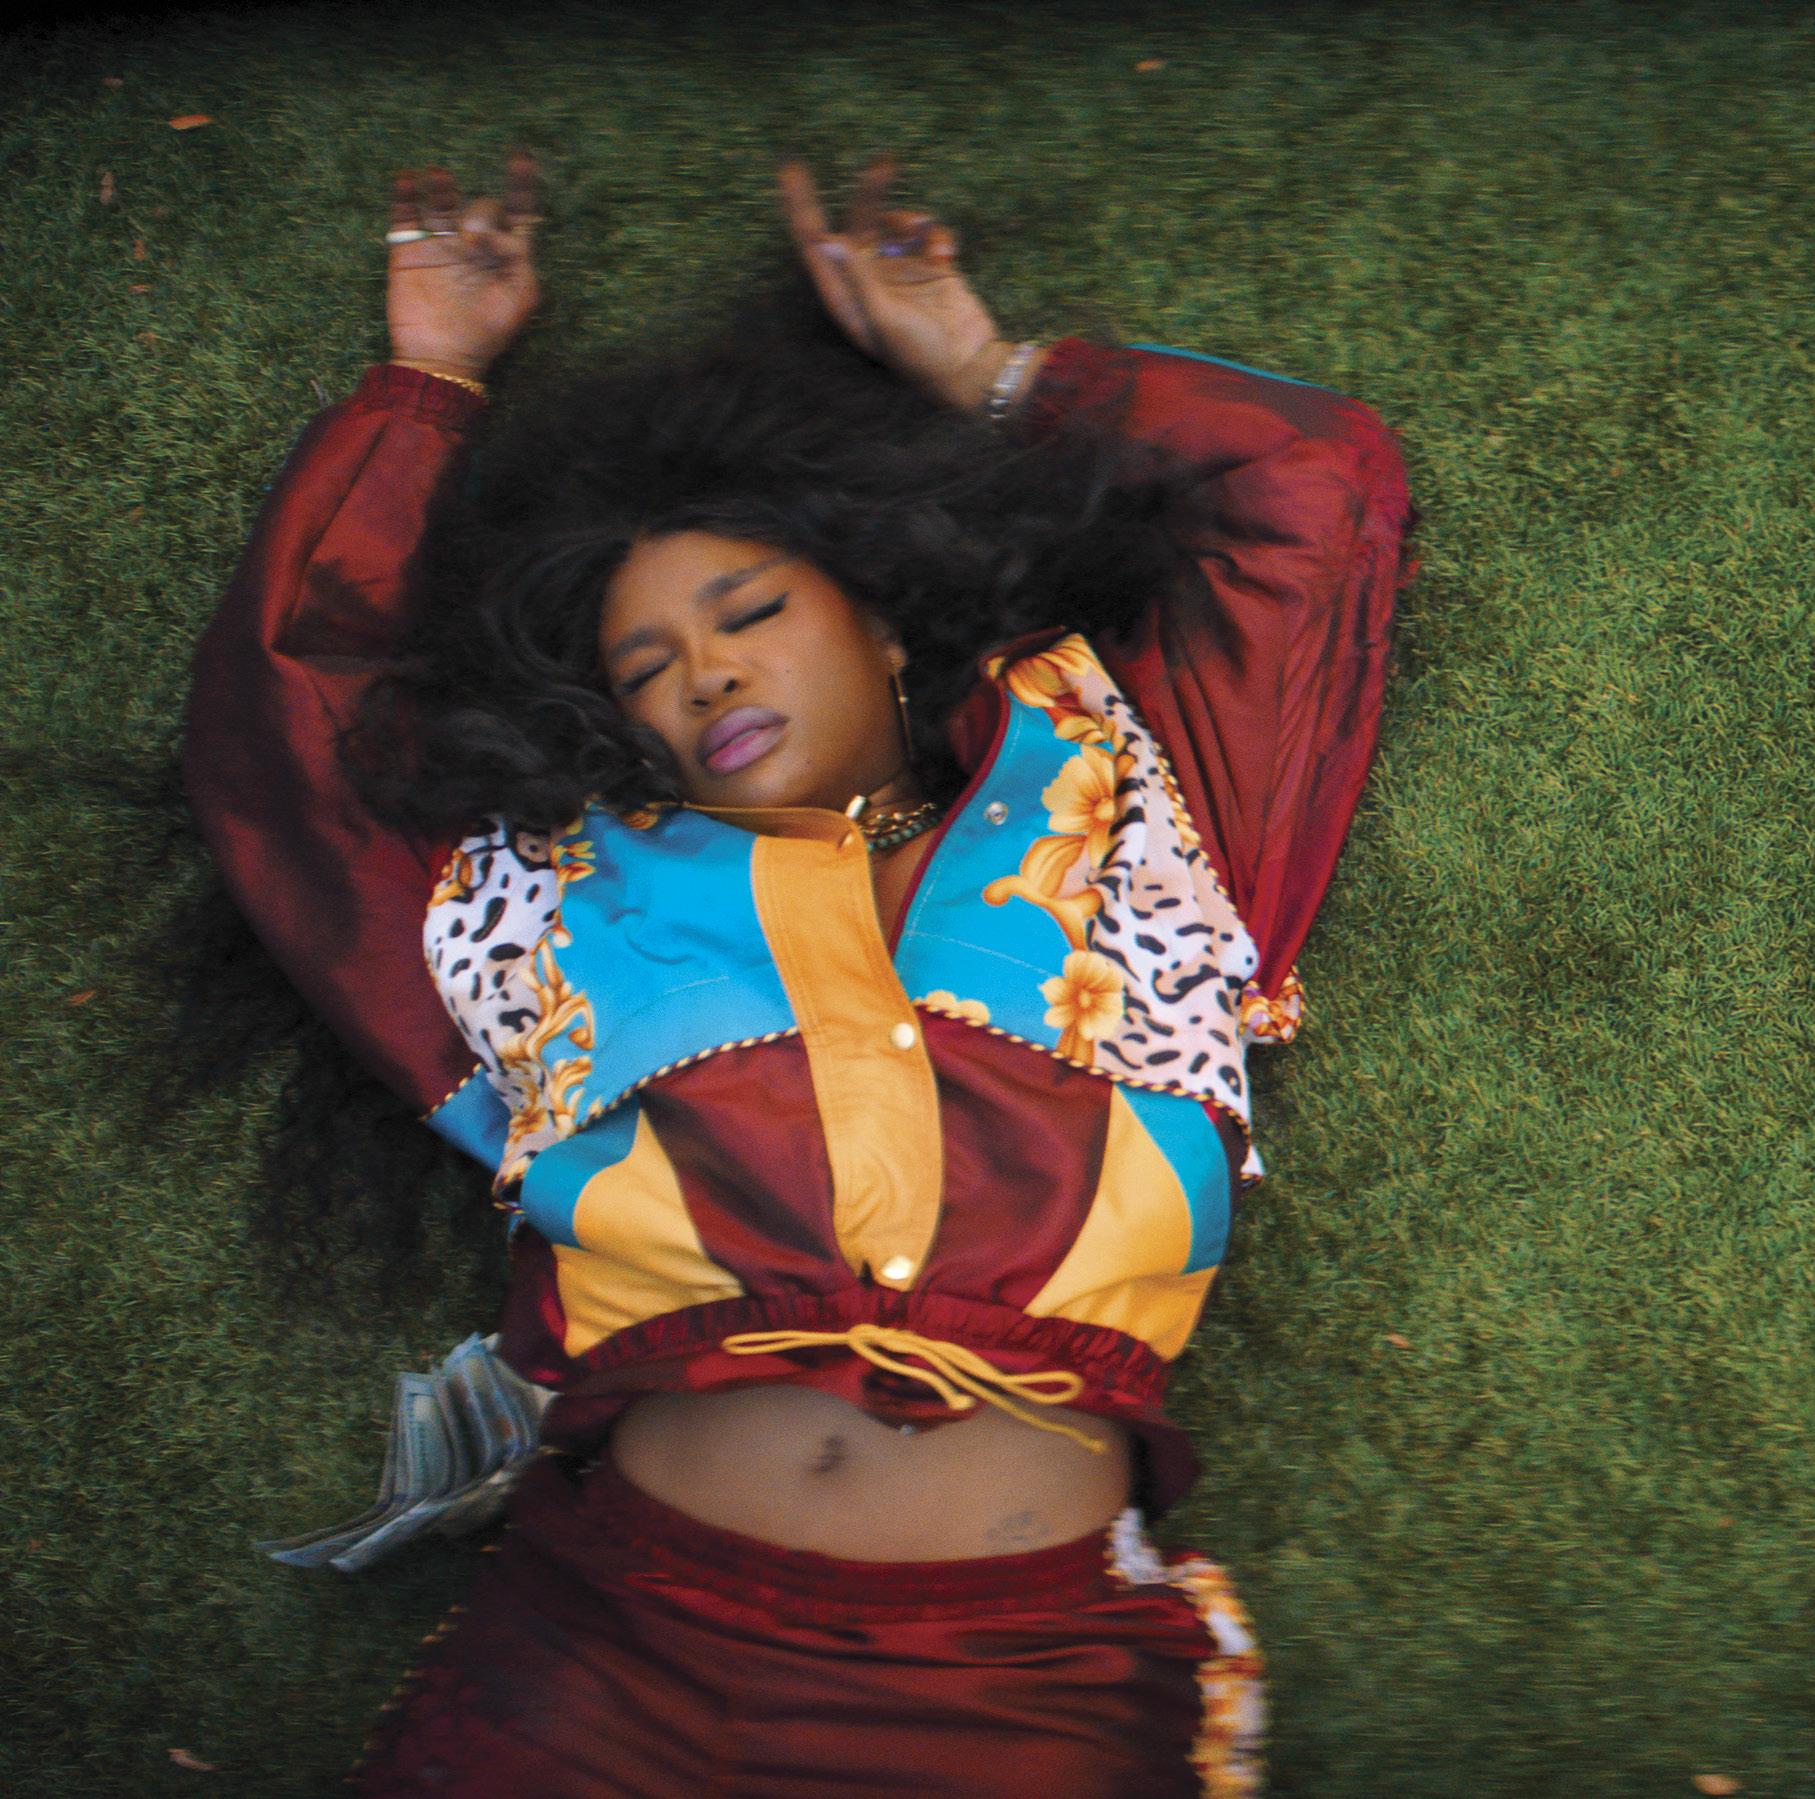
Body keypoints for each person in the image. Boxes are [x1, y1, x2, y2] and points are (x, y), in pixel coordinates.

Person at [183, 147, 1416, 1796]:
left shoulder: (1141, 785)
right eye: (646, 667)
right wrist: (429, 384)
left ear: (884, 623)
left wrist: (983, 368)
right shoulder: (536, 898)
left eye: (748, 611)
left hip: (1021, 1691)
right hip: (610, 1658)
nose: (703, 673)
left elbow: (1307, 488)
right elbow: (288, 733)